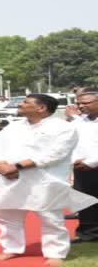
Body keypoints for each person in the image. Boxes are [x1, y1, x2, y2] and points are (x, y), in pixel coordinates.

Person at [0, 94, 98, 266]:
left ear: (41, 108)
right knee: (7, 215)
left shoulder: (62, 128)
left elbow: (55, 154)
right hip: (7, 178)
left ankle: (55, 252)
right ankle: (11, 248)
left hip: (44, 180)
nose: (21, 105)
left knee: (50, 217)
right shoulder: (13, 127)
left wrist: (17, 166)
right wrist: (0, 164)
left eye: (26, 102)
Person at [65, 89, 98, 243]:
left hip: (93, 165)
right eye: (78, 103)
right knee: (85, 202)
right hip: (82, 169)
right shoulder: (81, 121)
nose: (81, 106)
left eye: (86, 103)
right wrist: (76, 161)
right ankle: (88, 234)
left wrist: (91, 162)